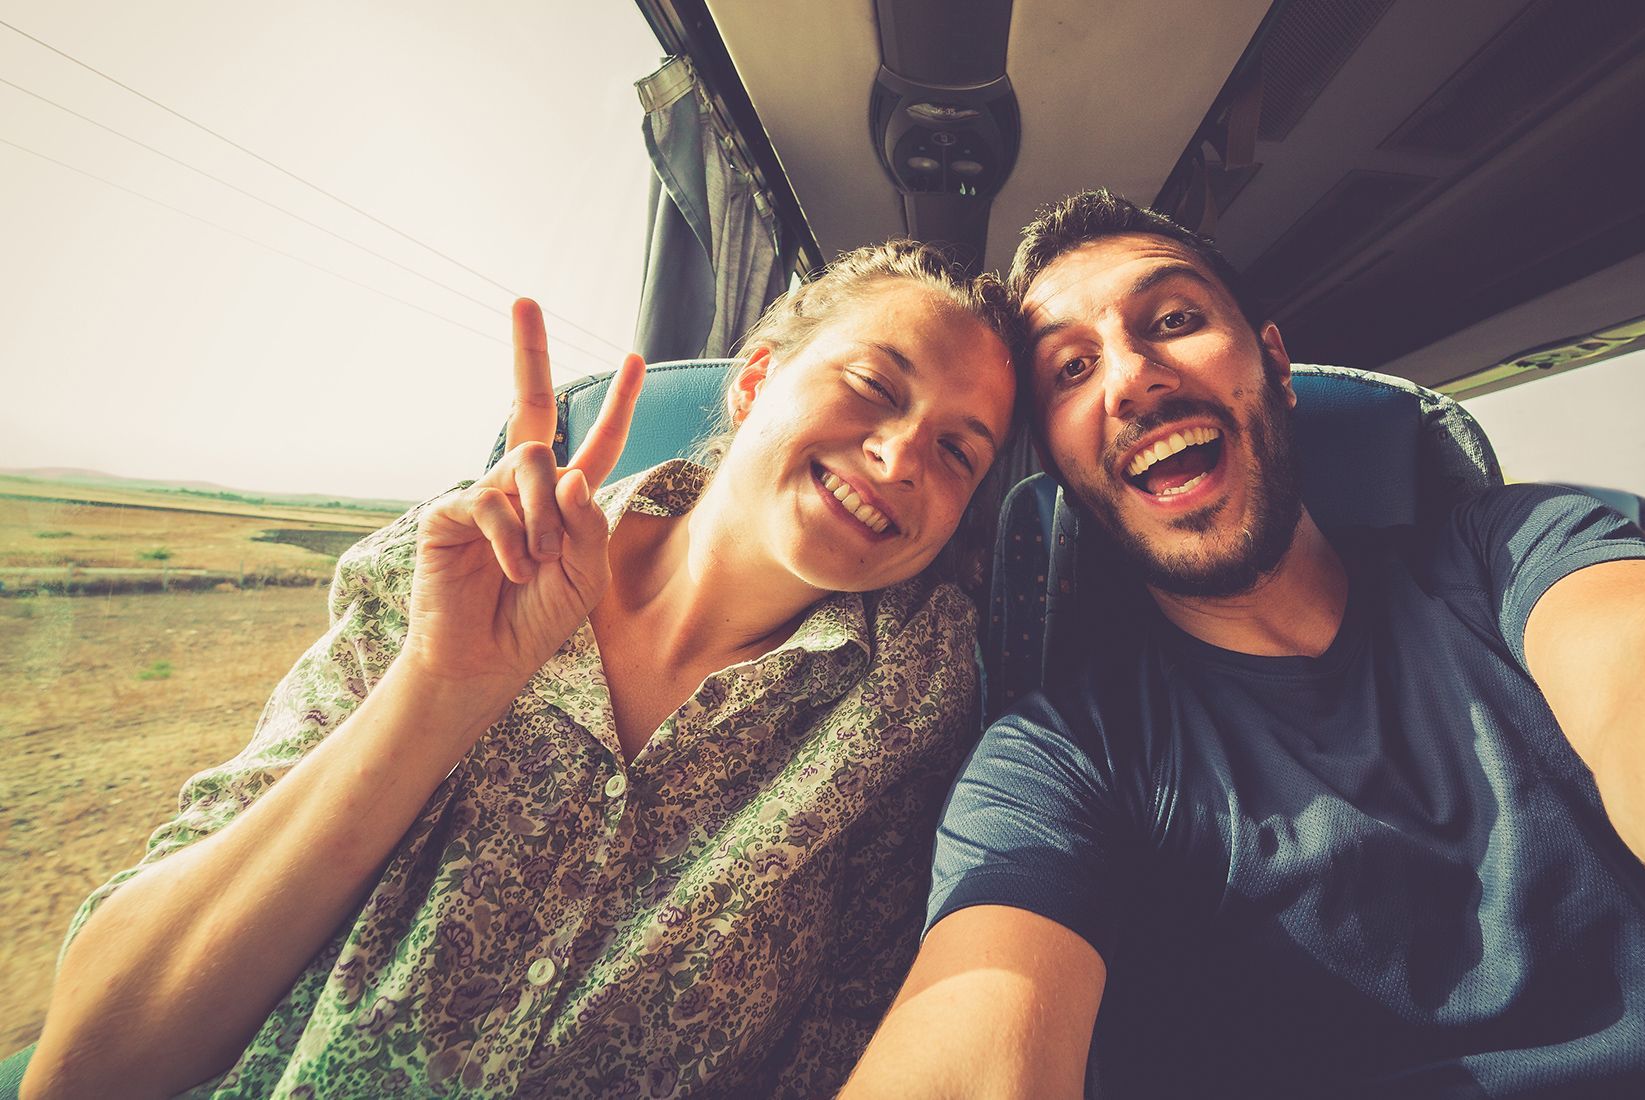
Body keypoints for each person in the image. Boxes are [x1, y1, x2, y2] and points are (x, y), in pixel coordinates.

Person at [844, 192, 1645, 1098]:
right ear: (1062, 465)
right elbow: (982, 1025)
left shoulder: (1510, 557)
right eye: (1071, 370)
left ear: (1274, 365)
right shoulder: (1064, 756)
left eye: (1170, 318)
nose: (1129, 378)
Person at [24, 242, 1018, 1099]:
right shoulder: (456, 568)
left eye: (959, 451)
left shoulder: (912, 709)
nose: (899, 458)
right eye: (876, 387)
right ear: (757, 379)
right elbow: (89, 1062)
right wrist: (439, 688)